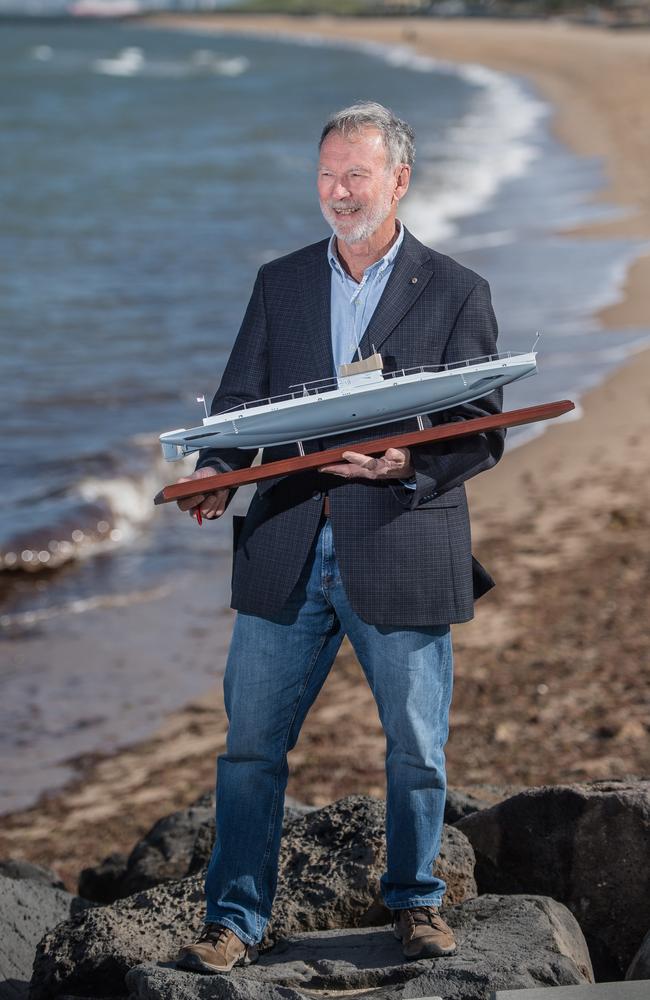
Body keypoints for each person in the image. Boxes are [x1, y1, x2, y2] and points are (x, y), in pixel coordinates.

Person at [174, 102, 504, 974]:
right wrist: (216, 472)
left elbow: (482, 428)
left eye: (357, 174)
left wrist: (408, 463)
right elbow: (242, 407)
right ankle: (233, 921)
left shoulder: (458, 289)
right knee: (249, 748)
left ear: (399, 180)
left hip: (401, 538)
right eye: (327, 174)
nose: (339, 192)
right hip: (284, 543)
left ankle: (418, 903)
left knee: (416, 746)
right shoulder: (280, 282)